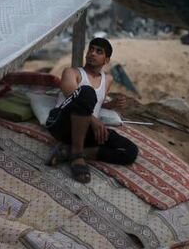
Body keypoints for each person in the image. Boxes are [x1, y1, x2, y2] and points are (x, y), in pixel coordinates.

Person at [45, 38, 138, 183]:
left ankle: (71, 152)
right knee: (86, 92)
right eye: (91, 49)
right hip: (62, 123)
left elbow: (96, 104)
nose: (92, 53)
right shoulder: (72, 72)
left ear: (106, 60)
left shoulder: (107, 80)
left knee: (130, 151)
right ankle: (76, 156)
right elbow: (74, 96)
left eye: (98, 51)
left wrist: (111, 104)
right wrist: (93, 120)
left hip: (85, 129)